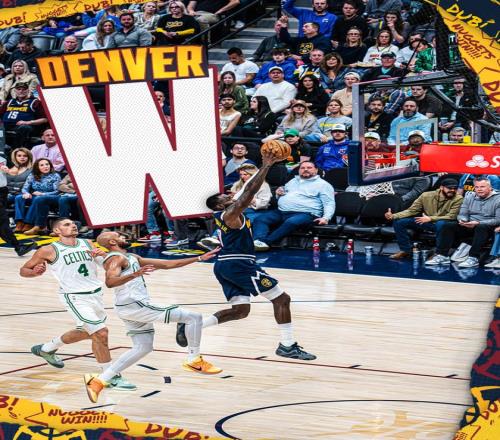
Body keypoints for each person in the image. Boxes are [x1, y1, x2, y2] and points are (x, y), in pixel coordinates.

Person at [83, 232, 222, 403]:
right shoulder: (116, 259)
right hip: (136, 305)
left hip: (128, 308)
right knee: (194, 317)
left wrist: (199, 258)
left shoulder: (132, 257)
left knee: (143, 347)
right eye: (119, 235)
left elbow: (167, 264)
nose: (124, 236)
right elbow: (110, 282)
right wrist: (134, 274)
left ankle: (99, 381)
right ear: (112, 241)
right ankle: (194, 359)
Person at [203, 152, 317, 360]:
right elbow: (249, 192)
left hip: (226, 265)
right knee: (282, 299)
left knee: (240, 311)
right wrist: (266, 165)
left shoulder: (225, 214)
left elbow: (245, 189)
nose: (230, 196)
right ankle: (287, 345)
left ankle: (193, 325)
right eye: (225, 197)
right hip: (239, 264)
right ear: (219, 206)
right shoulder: (230, 214)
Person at [20, 218, 135, 390]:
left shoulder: (87, 243)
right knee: (101, 333)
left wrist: (103, 256)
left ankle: (46, 348)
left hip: (96, 295)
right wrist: (35, 273)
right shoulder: (48, 250)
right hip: (75, 297)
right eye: (66, 224)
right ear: (57, 231)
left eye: (73, 223)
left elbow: (107, 266)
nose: (73, 225)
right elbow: (24, 270)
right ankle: (109, 377)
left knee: (87, 332)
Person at [252, 161, 335, 249]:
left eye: (309, 167)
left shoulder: (323, 185)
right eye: (302, 168)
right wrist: (278, 192)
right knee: (260, 219)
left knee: (291, 222)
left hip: (306, 213)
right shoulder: (293, 181)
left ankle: (265, 243)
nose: (305, 169)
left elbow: (329, 203)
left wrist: (326, 218)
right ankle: (258, 241)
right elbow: (283, 192)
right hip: (282, 211)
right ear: (299, 170)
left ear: (316, 170)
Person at [425, 177, 500, 268]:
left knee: (482, 227)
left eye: (482, 187)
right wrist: (463, 220)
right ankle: (442, 255)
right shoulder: (469, 196)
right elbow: (462, 213)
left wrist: (477, 223)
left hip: (488, 226)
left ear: (490, 187)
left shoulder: (498, 199)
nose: (479, 189)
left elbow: (497, 220)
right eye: (477, 187)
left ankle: (473, 258)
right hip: (469, 224)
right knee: (447, 225)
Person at [386, 178, 463, 259]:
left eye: (455, 188)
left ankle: (439, 254)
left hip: (447, 224)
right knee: (399, 222)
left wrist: (430, 218)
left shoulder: (458, 198)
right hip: (428, 222)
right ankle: (405, 250)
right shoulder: (426, 195)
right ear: (441, 187)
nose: (452, 190)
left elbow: (451, 216)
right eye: (449, 188)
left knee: (441, 224)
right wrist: (394, 216)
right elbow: (412, 211)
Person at [0, 154, 36, 256]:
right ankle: (18, 246)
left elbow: (14, 172)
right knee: (2, 221)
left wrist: (7, 170)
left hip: (2, 191)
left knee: (2, 222)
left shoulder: (2, 157)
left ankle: (18, 246)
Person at [13, 158, 60, 236]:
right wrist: (26, 193)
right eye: (42, 165)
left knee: (38, 199)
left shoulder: (55, 176)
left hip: (47, 197)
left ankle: (28, 223)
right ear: (37, 167)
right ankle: (19, 222)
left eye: (47, 164)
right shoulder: (32, 175)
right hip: (34, 195)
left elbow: (57, 191)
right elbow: (25, 188)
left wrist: (42, 194)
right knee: (19, 197)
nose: (45, 166)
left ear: (50, 165)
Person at [0, 82, 48, 149]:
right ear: (15, 91)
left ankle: (16, 150)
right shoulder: (9, 102)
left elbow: (45, 119)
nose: (21, 91)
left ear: (28, 90)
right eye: (19, 89)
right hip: (6, 126)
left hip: (25, 127)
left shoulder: (35, 102)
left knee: (24, 128)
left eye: (23, 89)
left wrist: (27, 122)